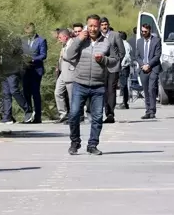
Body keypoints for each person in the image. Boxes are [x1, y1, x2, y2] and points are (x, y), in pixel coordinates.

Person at [65, 14, 118, 155]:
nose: (93, 28)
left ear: (100, 26)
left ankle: (92, 145)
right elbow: (68, 56)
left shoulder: (106, 42)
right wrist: (78, 40)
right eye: (90, 26)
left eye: (95, 25)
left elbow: (115, 61)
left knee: (97, 117)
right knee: (74, 114)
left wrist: (104, 60)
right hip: (79, 84)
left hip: (98, 85)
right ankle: (75, 143)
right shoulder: (80, 40)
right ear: (86, 26)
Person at [0, 35, 32, 124]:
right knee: (6, 94)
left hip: (13, 70)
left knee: (14, 91)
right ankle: (7, 117)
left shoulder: (14, 38)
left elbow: (19, 53)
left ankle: (28, 110)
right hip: (3, 71)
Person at [100, 17, 126, 123]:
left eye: (105, 24)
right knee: (103, 91)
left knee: (111, 90)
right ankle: (102, 113)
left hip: (113, 67)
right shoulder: (98, 36)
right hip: (101, 67)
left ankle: (110, 114)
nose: (104, 26)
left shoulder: (115, 35)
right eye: (102, 25)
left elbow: (122, 51)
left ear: (108, 24)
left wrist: (117, 61)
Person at [22, 23, 47, 124]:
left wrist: (32, 60)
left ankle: (38, 116)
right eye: (26, 30)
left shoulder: (41, 40)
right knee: (26, 92)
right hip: (25, 70)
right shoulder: (23, 40)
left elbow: (43, 55)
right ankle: (28, 115)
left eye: (29, 30)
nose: (27, 32)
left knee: (35, 93)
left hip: (36, 70)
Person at [136, 23, 162, 119]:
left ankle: (152, 111)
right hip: (143, 69)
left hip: (153, 68)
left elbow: (157, 55)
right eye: (142, 31)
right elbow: (137, 56)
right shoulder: (139, 42)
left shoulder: (156, 41)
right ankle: (147, 111)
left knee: (152, 89)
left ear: (149, 31)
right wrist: (142, 65)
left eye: (145, 31)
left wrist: (149, 65)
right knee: (146, 90)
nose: (143, 33)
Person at [54, 29, 76, 123]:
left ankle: (73, 116)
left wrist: (64, 56)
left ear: (65, 37)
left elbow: (73, 57)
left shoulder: (73, 44)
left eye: (60, 37)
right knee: (57, 92)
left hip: (71, 73)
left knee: (72, 97)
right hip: (63, 73)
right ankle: (63, 114)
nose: (59, 39)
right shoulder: (64, 45)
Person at [117, 31, 133, 109]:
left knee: (124, 85)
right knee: (124, 85)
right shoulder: (127, 44)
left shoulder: (124, 45)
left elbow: (126, 56)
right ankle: (124, 102)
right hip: (125, 66)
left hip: (123, 67)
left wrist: (121, 64)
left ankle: (125, 102)